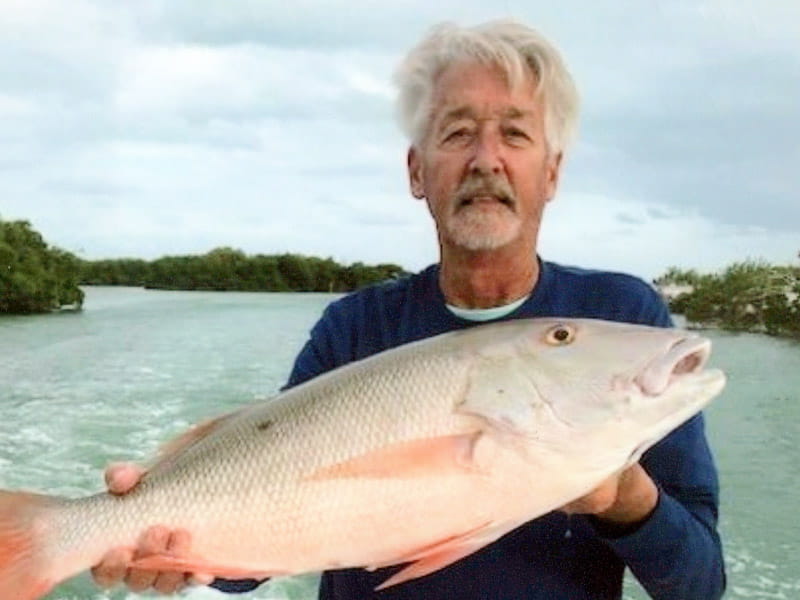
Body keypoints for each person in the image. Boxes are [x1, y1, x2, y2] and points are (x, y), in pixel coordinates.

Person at [91, 19, 725, 599]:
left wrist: (620, 495)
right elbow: (254, 555)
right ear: (417, 170)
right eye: (456, 133)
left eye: (515, 132)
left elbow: (699, 583)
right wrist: (170, 548)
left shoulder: (624, 310)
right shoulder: (355, 326)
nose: (486, 159)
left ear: (551, 173)